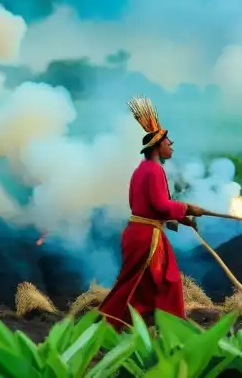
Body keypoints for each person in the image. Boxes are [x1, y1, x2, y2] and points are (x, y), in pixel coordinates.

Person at [97, 96, 206, 329]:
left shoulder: (141, 170)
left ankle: (145, 324)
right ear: (157, 146)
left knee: (147, 283)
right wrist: (187, 207)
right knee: (163, 281)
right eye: (168, 143)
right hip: (147, 236)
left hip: (140, 232)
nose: (172, 145)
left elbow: (148, 206)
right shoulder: (154, 171)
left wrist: (183, 218)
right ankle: (115, 323)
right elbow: (160, 206)